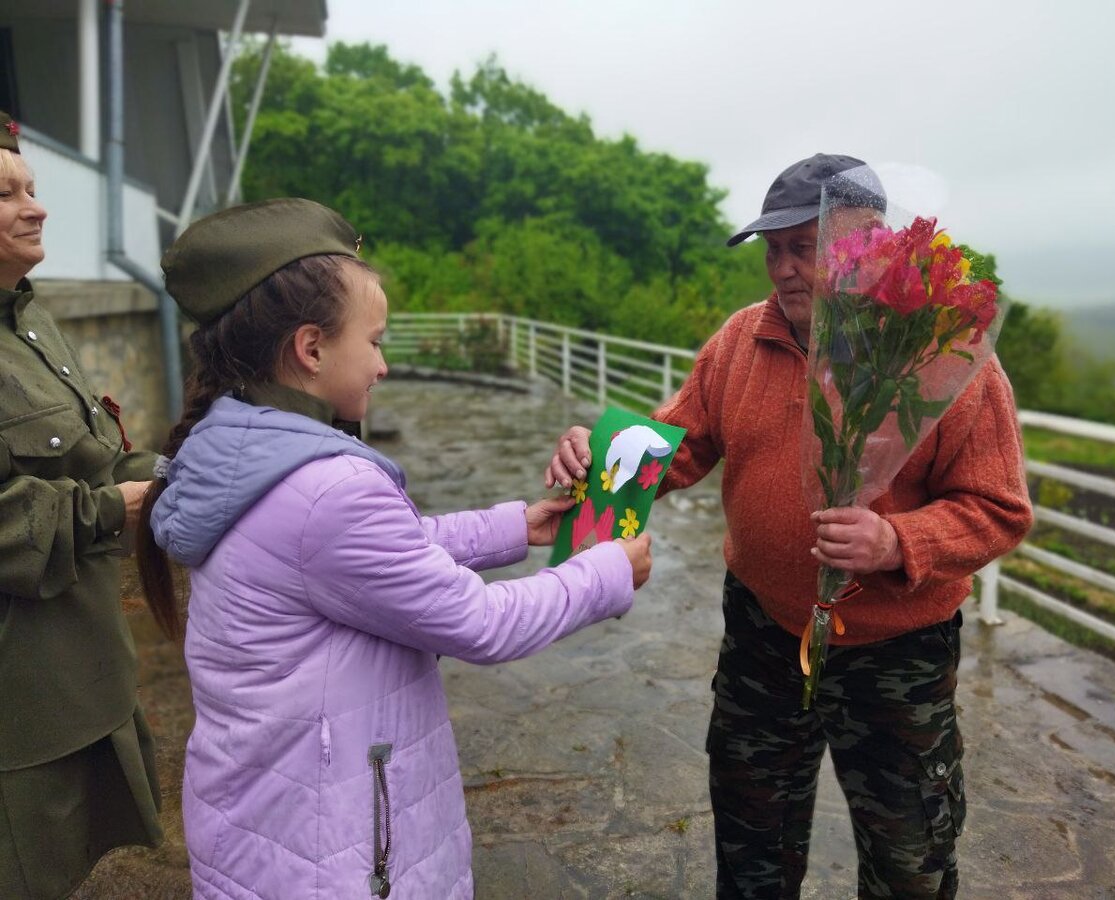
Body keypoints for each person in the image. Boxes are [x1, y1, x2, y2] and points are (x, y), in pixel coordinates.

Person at [545, 153, 1034, 899]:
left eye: (800, 250)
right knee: (751, 835)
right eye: (773, 251)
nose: (780, 270)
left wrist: (898, 542)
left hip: (894, 652)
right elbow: (677, 445)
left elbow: (998, 509)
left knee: (910, 855)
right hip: (764, 631)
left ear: (866, 245)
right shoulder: (744, 340)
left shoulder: (947, 353)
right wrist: (599, 458)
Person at [135, 197, 652, 899]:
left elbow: (364, 561)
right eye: (373, 341)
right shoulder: (329, 489)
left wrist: (514, 527)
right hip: (335, 855)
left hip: (270, 821)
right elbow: (482, 624)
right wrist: (606, 572)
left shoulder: (239, 445)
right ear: (311, 348)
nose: (383, 365)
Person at [0, 111, 162, 898]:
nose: (37, 207)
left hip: (80, 673)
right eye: (7, 194)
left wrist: (177, 471)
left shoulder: (28, 317)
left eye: (31, 187)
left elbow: (93, 451)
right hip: (19, 707)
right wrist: (110, 512)